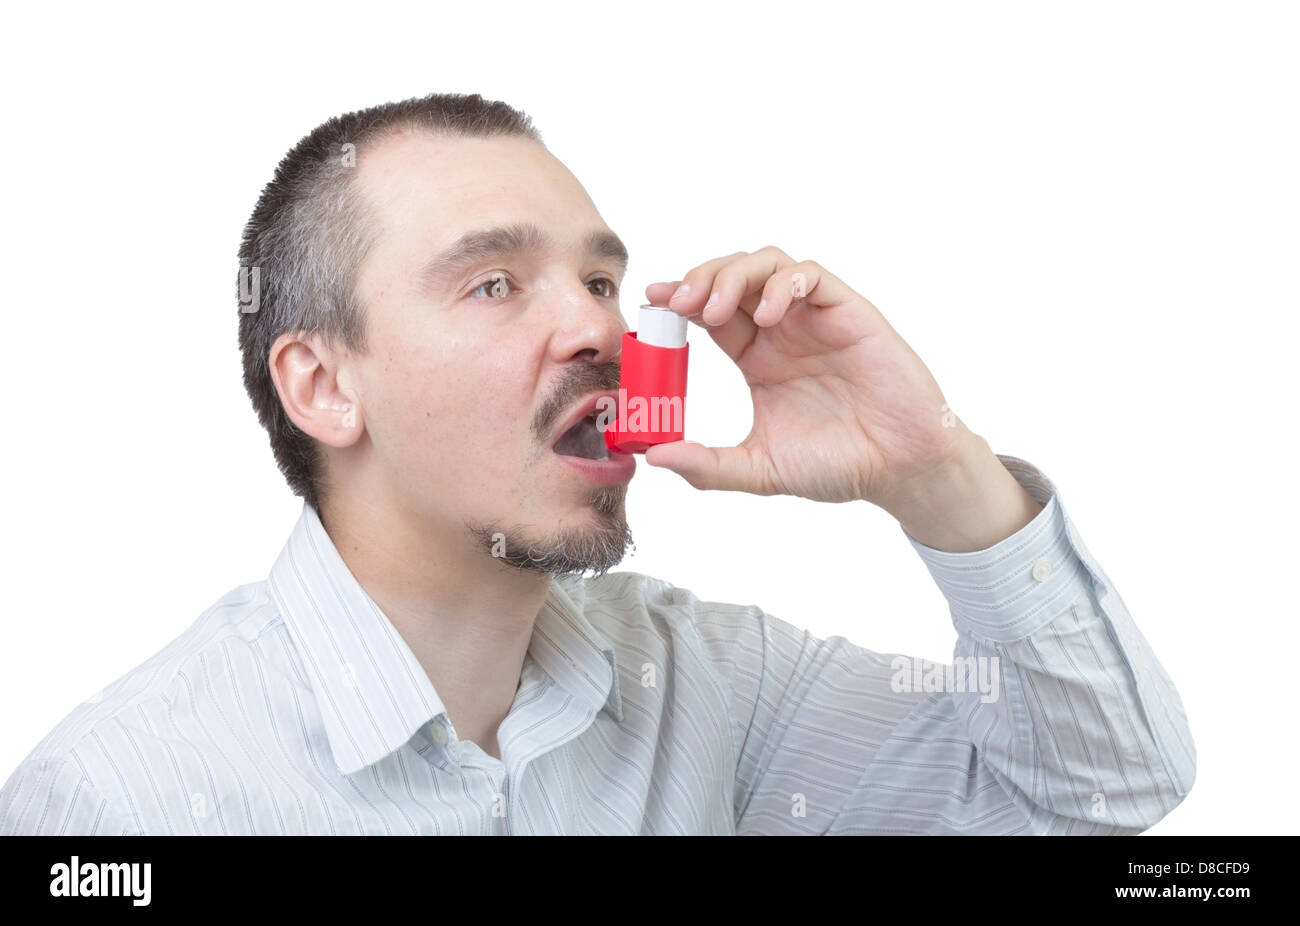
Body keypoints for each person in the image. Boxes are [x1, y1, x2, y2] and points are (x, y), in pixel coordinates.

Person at [0, 92, 1195, 835]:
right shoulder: (121, 799)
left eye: (600, 279)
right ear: (323, 384)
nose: (595, 329)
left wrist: (930, 468)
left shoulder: (716, 688)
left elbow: (1099, 789)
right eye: (493, 283)